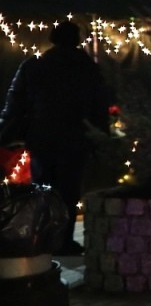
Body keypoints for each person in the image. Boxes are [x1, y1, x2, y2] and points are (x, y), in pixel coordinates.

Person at [0, 21, 110, 254]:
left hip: (42, 137)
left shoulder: (34, 66)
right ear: (77, 40)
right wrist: (101, 138)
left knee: (42, 190)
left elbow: (15, 101)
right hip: (75, 138)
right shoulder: (88, 68)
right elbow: (100, 106)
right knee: (68, 191)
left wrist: (7, 130)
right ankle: (64, 241)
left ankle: (41, 239)